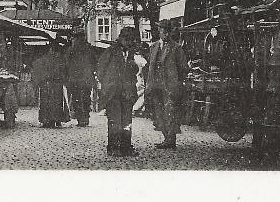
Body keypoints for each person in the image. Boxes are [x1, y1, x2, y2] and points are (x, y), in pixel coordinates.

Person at [96, 26, 140, 157]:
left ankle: (126, 147)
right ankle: (113, 147)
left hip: (127, 92)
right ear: (121, 39)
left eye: (131, 40)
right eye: (127, 40)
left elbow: (134, 71)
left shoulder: (131, 54)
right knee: (115, 120)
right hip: (113, 92)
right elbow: (101, 70)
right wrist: (108, 85)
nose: (129, 43)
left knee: (127, 121)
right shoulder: (110, 52)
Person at [146, 20, 188, 150]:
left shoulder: (176, 48)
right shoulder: (153, 47)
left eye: (165, 31)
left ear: (169, 32)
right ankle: (166, 138)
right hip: (155, 85)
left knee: (170, 112)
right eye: (161, 30)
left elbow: (183, 68)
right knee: (158, 113)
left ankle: (171, 140)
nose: (163, 33)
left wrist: (176, 81)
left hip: (170, 86)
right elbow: (149, 67)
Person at [33, 42, 69, 128]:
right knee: (56, 102)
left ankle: (47, 120)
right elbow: (64, 71)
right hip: (56, 83)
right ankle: (56, 119)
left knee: (47, 102)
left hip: (47, 83)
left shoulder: (43, 60)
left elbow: (38, 70)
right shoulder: (59, 60)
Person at [64, 34, 96, 127]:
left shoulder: (71, 50)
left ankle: (81, 118)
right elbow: (95, 62)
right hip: (86, 79)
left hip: (75, 79)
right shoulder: (89, 50)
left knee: (77, 99)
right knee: (86, 98)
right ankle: (85, 118)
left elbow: (66, 64)